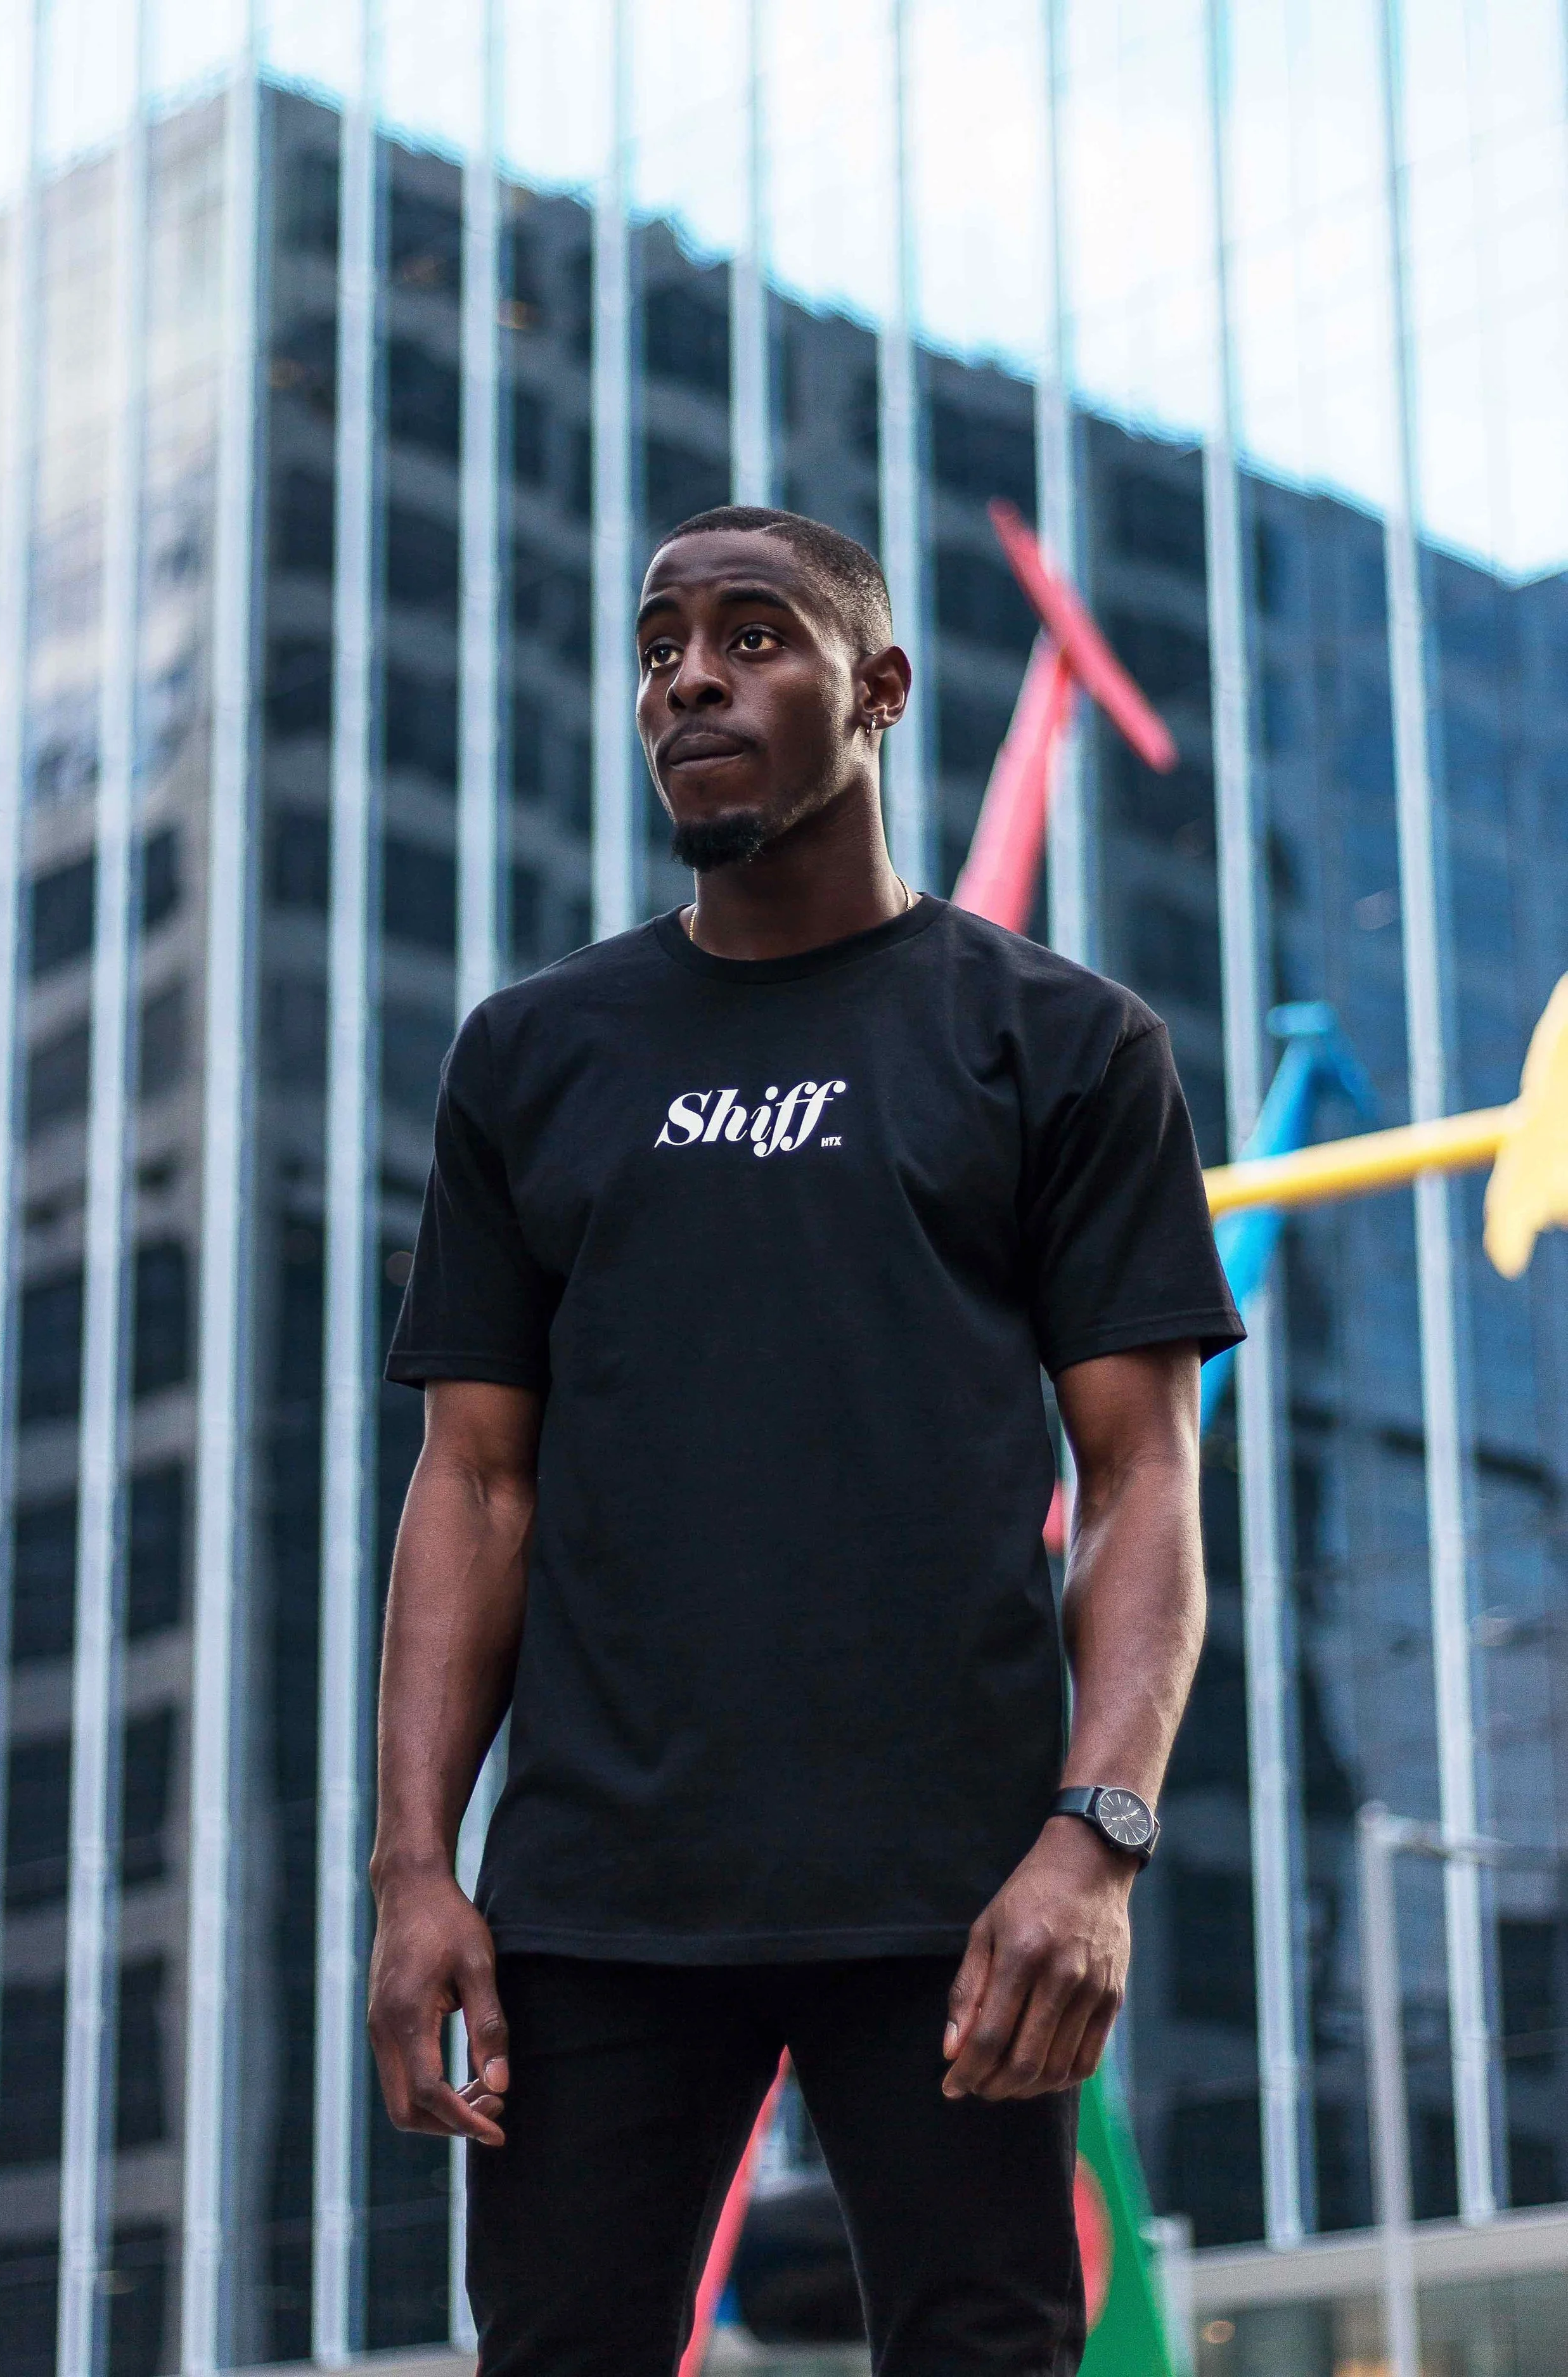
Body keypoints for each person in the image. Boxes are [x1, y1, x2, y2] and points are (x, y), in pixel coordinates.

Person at [368, 505, 1243, 2376]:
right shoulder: (528, 1056)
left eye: (754, 635)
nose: (690, 677)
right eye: (659, 645)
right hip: (597, 1899)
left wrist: (1094, 1842)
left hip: (958, 1892)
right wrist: (412, 1868)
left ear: (881, 689)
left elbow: (1142, 1475)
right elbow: (474, 1484)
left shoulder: (1064, 1044)